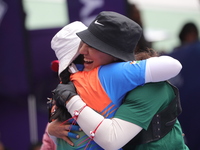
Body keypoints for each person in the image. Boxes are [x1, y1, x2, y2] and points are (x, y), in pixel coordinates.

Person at [47, 11, 184, 150]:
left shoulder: (149, 87)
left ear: (114, 54)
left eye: (92, 45)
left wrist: (70, 100)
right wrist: (51, 128)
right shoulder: (88, 81)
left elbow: (111, 140)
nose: (83, 52)